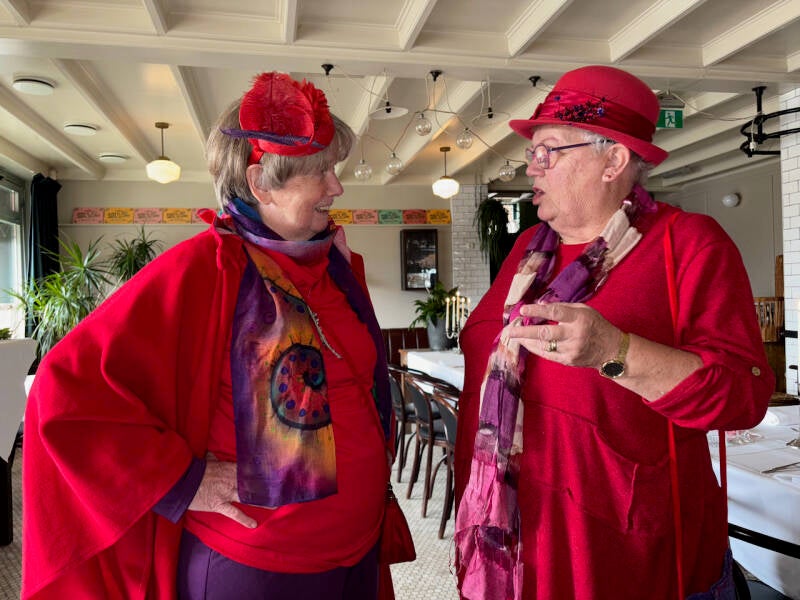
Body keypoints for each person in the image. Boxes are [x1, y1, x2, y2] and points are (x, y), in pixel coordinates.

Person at [22, 72, 396, 599]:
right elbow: (63, 386)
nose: (336, 187)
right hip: (259, 571)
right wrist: (182, 480)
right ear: (261, 182)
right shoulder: (205, 268)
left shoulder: (332, 265)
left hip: (357, 553)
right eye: (320, 172)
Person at [453, 65, 773, 600]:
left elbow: (743, 396)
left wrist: (615, 350)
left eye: (548, 150)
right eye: (532, 151)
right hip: (521, 543)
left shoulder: (687, 243)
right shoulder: (529, 249)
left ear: (614, 160)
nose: (531, 166)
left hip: (630, 555)